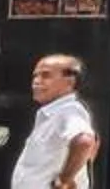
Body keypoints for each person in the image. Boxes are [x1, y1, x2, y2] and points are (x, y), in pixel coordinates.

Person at [15, 59, 96, 189]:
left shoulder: (68, 110)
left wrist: (64, 181)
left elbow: (85, 142)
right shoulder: (53, 113)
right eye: (35, 76)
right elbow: (93, 143)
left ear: (69, 82)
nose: (36, 81)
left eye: (45, 75)